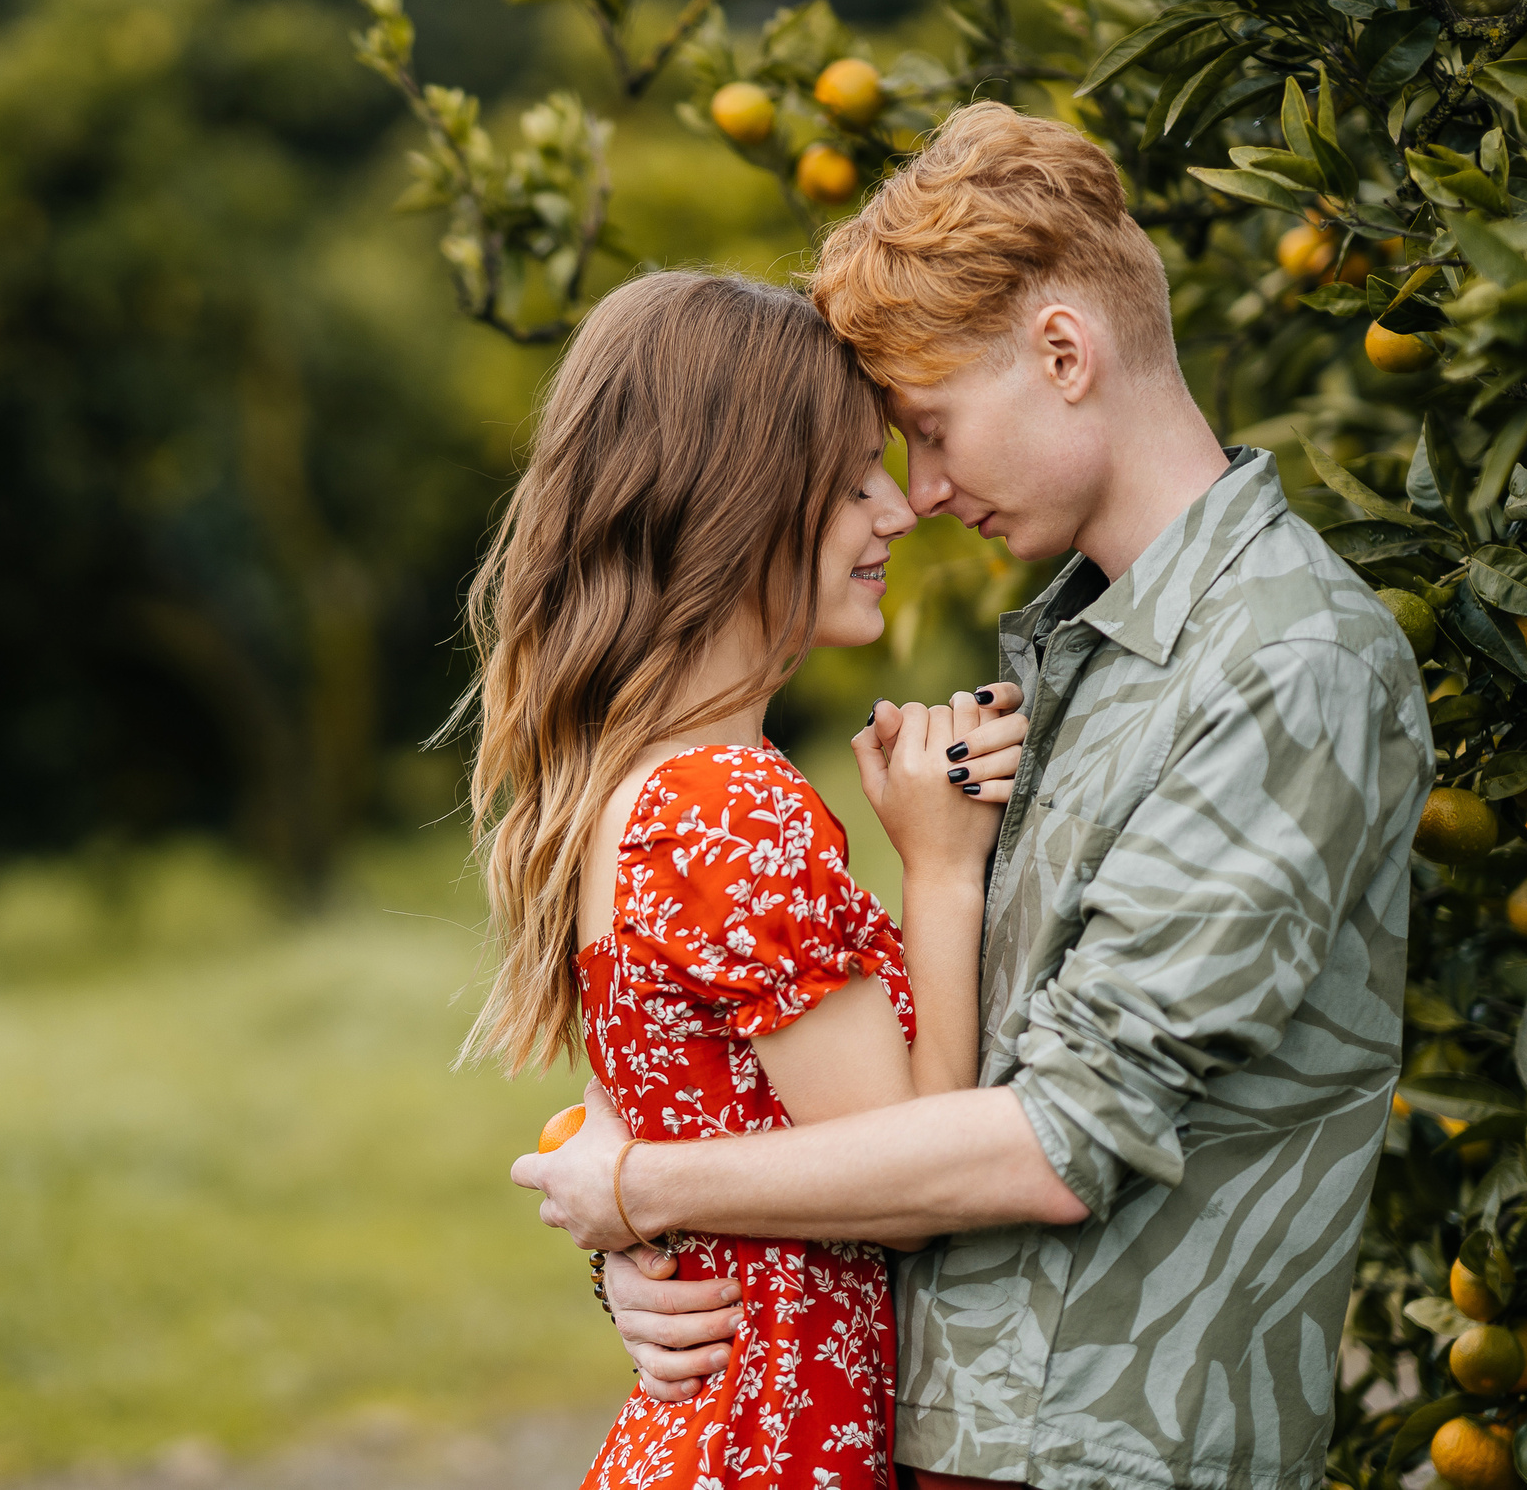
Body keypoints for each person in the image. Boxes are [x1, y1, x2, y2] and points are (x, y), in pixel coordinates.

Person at [511, 103, 1435, 1490]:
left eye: (929, 430)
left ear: (1065, 353)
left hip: (1112, 1451)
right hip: (949, 1434)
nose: (918, 494)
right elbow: (787, 1061)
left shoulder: (1287, 664)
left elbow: (1062, 1136)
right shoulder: (1081, 653)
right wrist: (658, 1250)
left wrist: (642, 1187)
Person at [454, 266, 1032, 1489]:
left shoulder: (643, 785)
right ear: (736, 504)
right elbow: (912, 1173)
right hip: (774, 1446)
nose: (894, 512)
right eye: (845, 485)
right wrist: (939, 869)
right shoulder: (725, 805)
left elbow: (692, 1101)